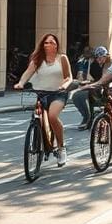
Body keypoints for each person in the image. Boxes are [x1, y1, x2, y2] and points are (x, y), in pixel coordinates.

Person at [13, 33, 73, 166]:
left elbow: (68, 77)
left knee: (52, 116)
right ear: (42, 45)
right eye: (46, 42)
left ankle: (61, 148)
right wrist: (21, 83)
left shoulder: (62, 58)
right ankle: (41, 139)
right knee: (38, 116)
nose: (49, 45)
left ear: (56, 45)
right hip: (41, 93)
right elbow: (28, 72)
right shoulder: (37, 59)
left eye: (52, 42)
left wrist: (64, 85)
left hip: (58, 93)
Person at [72, 46, 111, 130]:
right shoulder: (93, 64)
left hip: (106, 88)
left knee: (86, 93)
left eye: (102, 57)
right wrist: (87, 82)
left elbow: (107, 78)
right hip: (95, 85)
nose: (99, 59)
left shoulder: (109, 64)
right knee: (76, 95)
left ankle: (89, 118)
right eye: (98, 57)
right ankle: (86, 115)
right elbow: (92, 78)